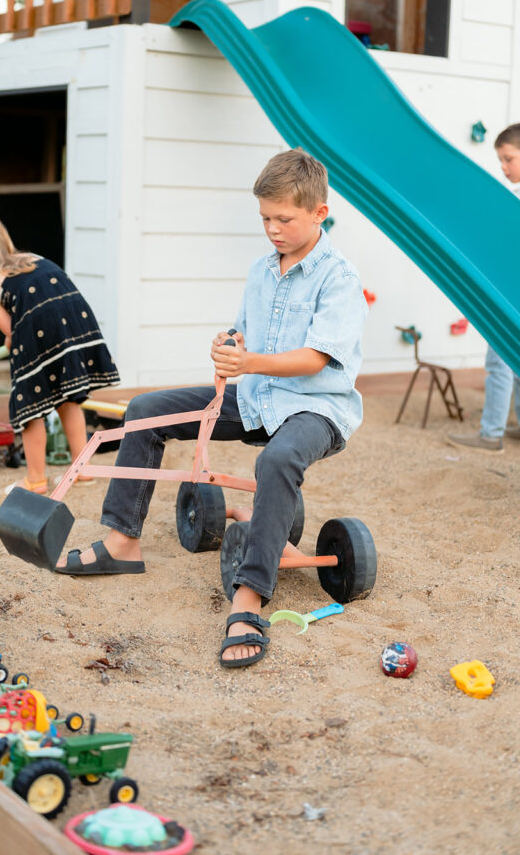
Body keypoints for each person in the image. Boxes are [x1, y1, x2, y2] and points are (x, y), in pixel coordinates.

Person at [55, 149, 368, 669]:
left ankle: (248, 600)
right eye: (265, 218)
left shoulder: (338, 277)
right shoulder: (262, 270)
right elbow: (244, 333)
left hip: (317, 408)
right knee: (145, 410)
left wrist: (249, 359)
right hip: (255, 398)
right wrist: (228, 346)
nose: (272, 229)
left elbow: (316, 359)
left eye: (284, 219)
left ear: (319, 212)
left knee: (276, 461)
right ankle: (121, 542)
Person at [0, 212, 120, 491]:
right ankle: (82, 470)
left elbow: (12, 330)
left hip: (41, 329)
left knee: (30, 409)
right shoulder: (33, 258)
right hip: (75, 323)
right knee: (69, 399)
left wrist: (13, 341)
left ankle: (35, 480)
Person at [448, 123, 520, 452]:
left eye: (509, 158)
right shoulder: (519, 195)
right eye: (501, 159)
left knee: (500, 360)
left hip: (513, 292)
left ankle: (491, 433)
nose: (503, 167)